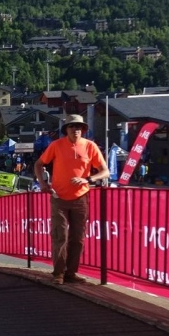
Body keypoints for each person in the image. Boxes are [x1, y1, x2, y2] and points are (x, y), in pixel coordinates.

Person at [34, 114, 109, 286]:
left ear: (83, 129)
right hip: (58, 197)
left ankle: (71, 273)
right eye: (72, 126)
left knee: (78, 238)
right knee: (60, 236)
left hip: (81, 198)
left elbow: (105, 171)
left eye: (79, 127)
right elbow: (39, 164)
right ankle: (58, 273)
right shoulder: (56, 145)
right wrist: (42, 184)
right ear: (66, 129)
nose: (76, 129)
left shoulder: (90, 146)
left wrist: (88, 179)